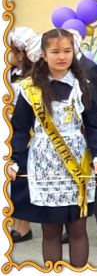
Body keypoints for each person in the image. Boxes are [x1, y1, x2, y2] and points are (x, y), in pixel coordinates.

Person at [9, 29, 97, 267]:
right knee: (50, 230)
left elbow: (94, 126)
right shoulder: (29, 88)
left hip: (77, 163)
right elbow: (19, 129)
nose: (62, 56)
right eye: (55, 51)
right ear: (43, 54)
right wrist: (14, 160)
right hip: (45, 164)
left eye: (67, 51)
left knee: (78, 228)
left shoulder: (83, 85)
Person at [60, 32, 97, 248]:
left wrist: (80, 105)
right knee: (67, 182)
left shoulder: (91, 68)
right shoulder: (57, 70)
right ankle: (69, 227)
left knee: (96, 181)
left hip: (86, 132)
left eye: (68, 47)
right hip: (64, 135)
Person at [7, 27, 37, 244]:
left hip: (26, 132)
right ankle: (14, 221)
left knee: (21, 178)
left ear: (21, 53)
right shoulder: (10, 73)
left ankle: (24, 226)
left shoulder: (32, 76)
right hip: (9, 129)